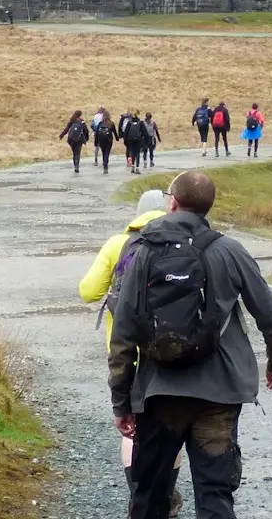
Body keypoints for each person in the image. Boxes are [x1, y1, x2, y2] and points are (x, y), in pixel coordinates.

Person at [110, 171, 272, 519]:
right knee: (214, 494)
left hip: (158, 394)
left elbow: (123, 334)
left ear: (172, 203)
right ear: (207, 207)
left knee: (150, 495)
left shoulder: (140, 252)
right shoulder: (230, 251)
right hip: (219, 396)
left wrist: (122, 402)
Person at [80, 190, 183, 513]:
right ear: (169, 208)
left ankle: (136, 493)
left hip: (126, 350)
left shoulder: (117, 243)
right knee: (170, 420)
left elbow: (88, 291)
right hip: (168, 350)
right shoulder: (181, 242)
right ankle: (166, 494)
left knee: (133, 426)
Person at [123, 110, 152, 174]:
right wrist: (146, 142)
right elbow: (145, 133)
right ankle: (137, 168)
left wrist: (125, 142)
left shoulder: (129, 123)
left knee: (132, 153)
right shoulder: (140, 123)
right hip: (138, 141)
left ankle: (133, 166)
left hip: (131, 141)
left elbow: (125, 133)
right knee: (137, 153)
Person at [93, 108, 118, 174]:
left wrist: (96, 142)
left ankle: (105, 163)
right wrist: (117, 138)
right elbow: (115, 132)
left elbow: (97, 133)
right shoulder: (111, 123)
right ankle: (105, 165)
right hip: (109, 140)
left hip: (101, 140)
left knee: (104, 152)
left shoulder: (100, 123)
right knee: (107, 152)